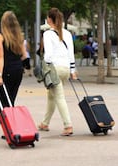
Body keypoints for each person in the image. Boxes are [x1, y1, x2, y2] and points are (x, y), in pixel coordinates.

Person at [38, 7, 77, 136]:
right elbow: (71, 53)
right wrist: (73, 69)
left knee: (59, 97)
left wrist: (45, 65)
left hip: (54, 69)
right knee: (52, 96)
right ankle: (45, 123)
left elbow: (48, 54)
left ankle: (68, 126)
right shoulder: (67, 33)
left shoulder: (47, 34)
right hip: (65, 68)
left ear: (49, 19)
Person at [0, 11, 27, 113]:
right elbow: (24, 55)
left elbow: (0, 56)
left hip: (6, 70)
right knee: (10, 99)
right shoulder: (19, 37)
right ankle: (11, 121)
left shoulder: (0, 37)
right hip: (17, 70)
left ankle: (9, 122)